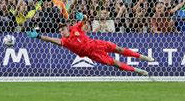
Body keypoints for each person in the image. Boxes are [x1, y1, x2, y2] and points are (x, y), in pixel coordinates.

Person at [26, 15, 154, 75]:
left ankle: (143, 57)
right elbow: (50, 39)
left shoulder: (76, 28)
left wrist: (83, 17)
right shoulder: (65, 41)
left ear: (67, 28)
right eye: (59, 31)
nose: (61, 32)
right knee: (115, 63)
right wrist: (38, 36)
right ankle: (138, 71)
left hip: (98, 43)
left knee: (119, 49)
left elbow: (85, 20)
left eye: (62, 29)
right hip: (93, 54)